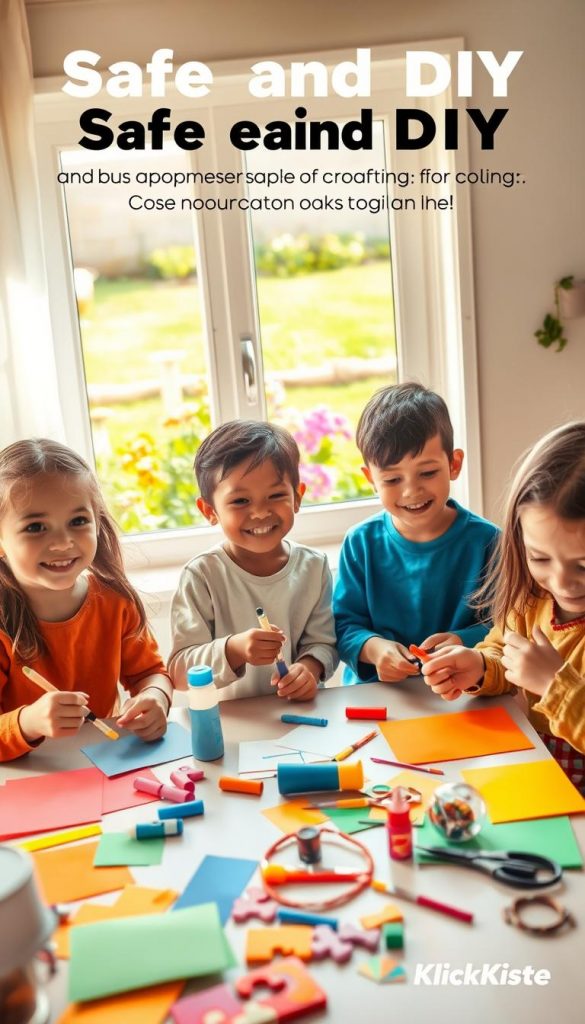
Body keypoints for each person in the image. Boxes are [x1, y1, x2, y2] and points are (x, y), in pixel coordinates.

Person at [422, 422, 585, 790]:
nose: (561, 582)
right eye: (540, 558)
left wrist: (554, 684)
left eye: (583, 564)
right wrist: (479, 666)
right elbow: (502, 649)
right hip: (543, 776)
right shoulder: (533, 599)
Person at [0, 439, 173, 762]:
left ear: (97, 521)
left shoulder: (114, 601)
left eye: (78, 521)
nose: (63, 542)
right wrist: (29, 722)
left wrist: (156, 698)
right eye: (36, 527)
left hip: (105, 763)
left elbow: (150, 672)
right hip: (27, 782)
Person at [333, 382, 499, 684]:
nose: (411, 490)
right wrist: (374, 649)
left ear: (454, 464)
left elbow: (509, 624)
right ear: (371, 479)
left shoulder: (489, 542)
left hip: (462, 692)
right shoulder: (360, 544)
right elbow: (343, 626)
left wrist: (463, 641)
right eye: (393, 478)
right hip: (378, 696)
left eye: (427, 473)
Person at [169, 420, 338, 701]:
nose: (260, 512)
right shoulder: (202, 575)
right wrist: (234, 649)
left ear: (297, 497)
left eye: (275, 496)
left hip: (301, 719)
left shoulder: (314, 566)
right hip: (228, 725)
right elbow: (178, 671)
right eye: (240, 501)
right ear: (209, 511)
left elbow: (324, 643)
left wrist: (309, 669)